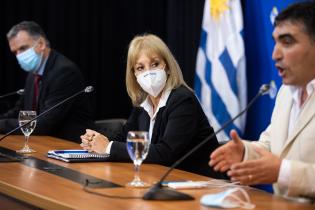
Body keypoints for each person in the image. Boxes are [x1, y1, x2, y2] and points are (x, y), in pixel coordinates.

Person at [209, 1, 315, 198]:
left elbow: (280, 167)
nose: (275, 54)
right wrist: (244, 152)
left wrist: (283, 172)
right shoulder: (286, 93)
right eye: (275, 42)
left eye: (287, 42)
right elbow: (270, 145)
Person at [81, 34, 224, 178]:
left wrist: (107, 146)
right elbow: (123, 139)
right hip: (163, 180)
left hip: (201, 183)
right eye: (140, 67)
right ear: (134, 75)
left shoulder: (183, 100)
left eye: (155, 64)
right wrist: (96, 141)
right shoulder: (142, 104)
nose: (148, 72)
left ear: (167, 67)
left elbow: (166, 153)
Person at [0, 21, 95, 143]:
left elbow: (45, 122)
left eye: (23, 48)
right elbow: (19, 112)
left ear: (41, 44)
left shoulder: (64, 71)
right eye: (15, 52)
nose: (19, 55)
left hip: (71, 145)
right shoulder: (33, 74)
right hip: (43, 143)